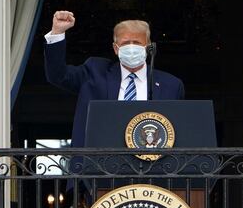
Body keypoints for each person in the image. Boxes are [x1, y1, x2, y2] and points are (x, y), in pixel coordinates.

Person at [44, 10, 185, 147]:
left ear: (148, 47)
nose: (131, 47)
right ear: (116, 48)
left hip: (151, 165)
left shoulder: (171, 85)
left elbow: (178, 132)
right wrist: (57, 32)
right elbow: (58, 76)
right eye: (125, 43)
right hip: (98, 165)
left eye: (136, 42)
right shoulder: (94, 72)